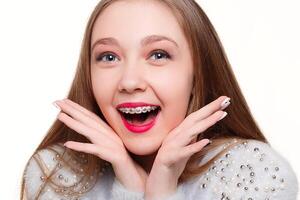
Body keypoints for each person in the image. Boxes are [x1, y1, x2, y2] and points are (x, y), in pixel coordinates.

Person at [20, 0, 298, 199]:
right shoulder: (56, 174)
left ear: (198, 73)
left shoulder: (253, 172)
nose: (129, 82)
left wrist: (162, 193)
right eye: (109, 57)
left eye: (158, 55)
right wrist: (130, 185)